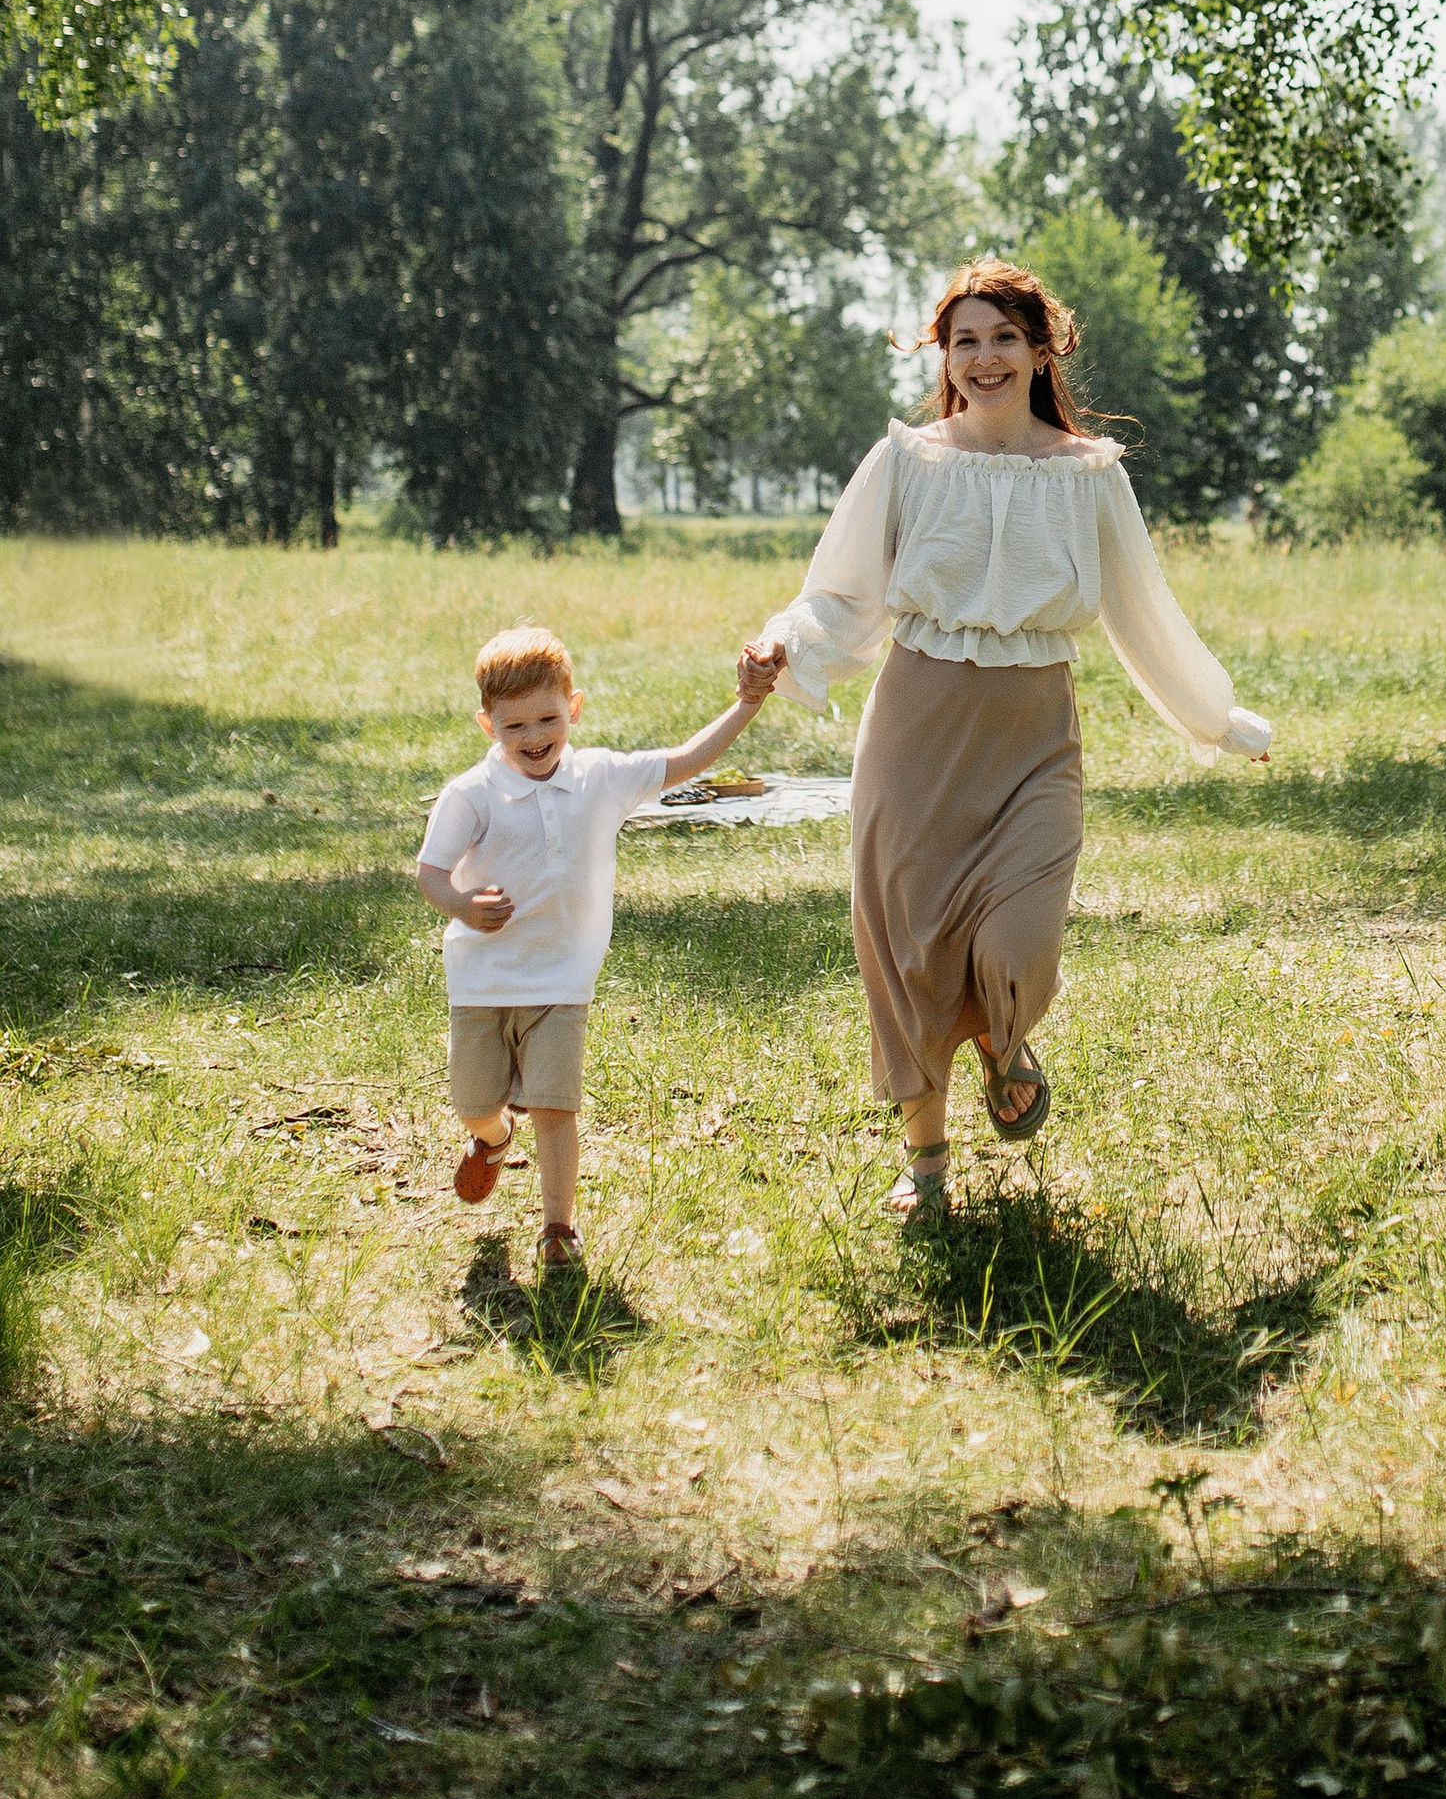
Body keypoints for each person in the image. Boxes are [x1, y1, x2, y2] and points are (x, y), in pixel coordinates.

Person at [748, 258, 1271, 1225]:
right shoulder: (907, 459)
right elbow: (843, 588)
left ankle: (1005, 1033)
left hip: (1034, 736)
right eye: (965, 341)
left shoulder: (1087, 476)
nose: (984, 358)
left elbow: (1141, 609)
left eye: (1002, 338)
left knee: (1018, 940)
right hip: (915, 730)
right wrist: (787, 639)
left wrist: (1216, 718)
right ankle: (928, 1160)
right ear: (943, 356)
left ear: (1040, 349)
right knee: (910, 952)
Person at [416, 622, 785, 1269]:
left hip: (562, 978)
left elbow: (688, 760)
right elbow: (430, 874)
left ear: (574, 708)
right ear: (487, 725)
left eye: (547, 719)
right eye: (514, 727)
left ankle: (558, 1229)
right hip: (483, 979)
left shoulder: (601, 777)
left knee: (556, 1106)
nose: (534, 739)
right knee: (476, 1103)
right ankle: (495, 1140)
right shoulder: (471, 795)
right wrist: (463, 909)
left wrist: (748, 702)